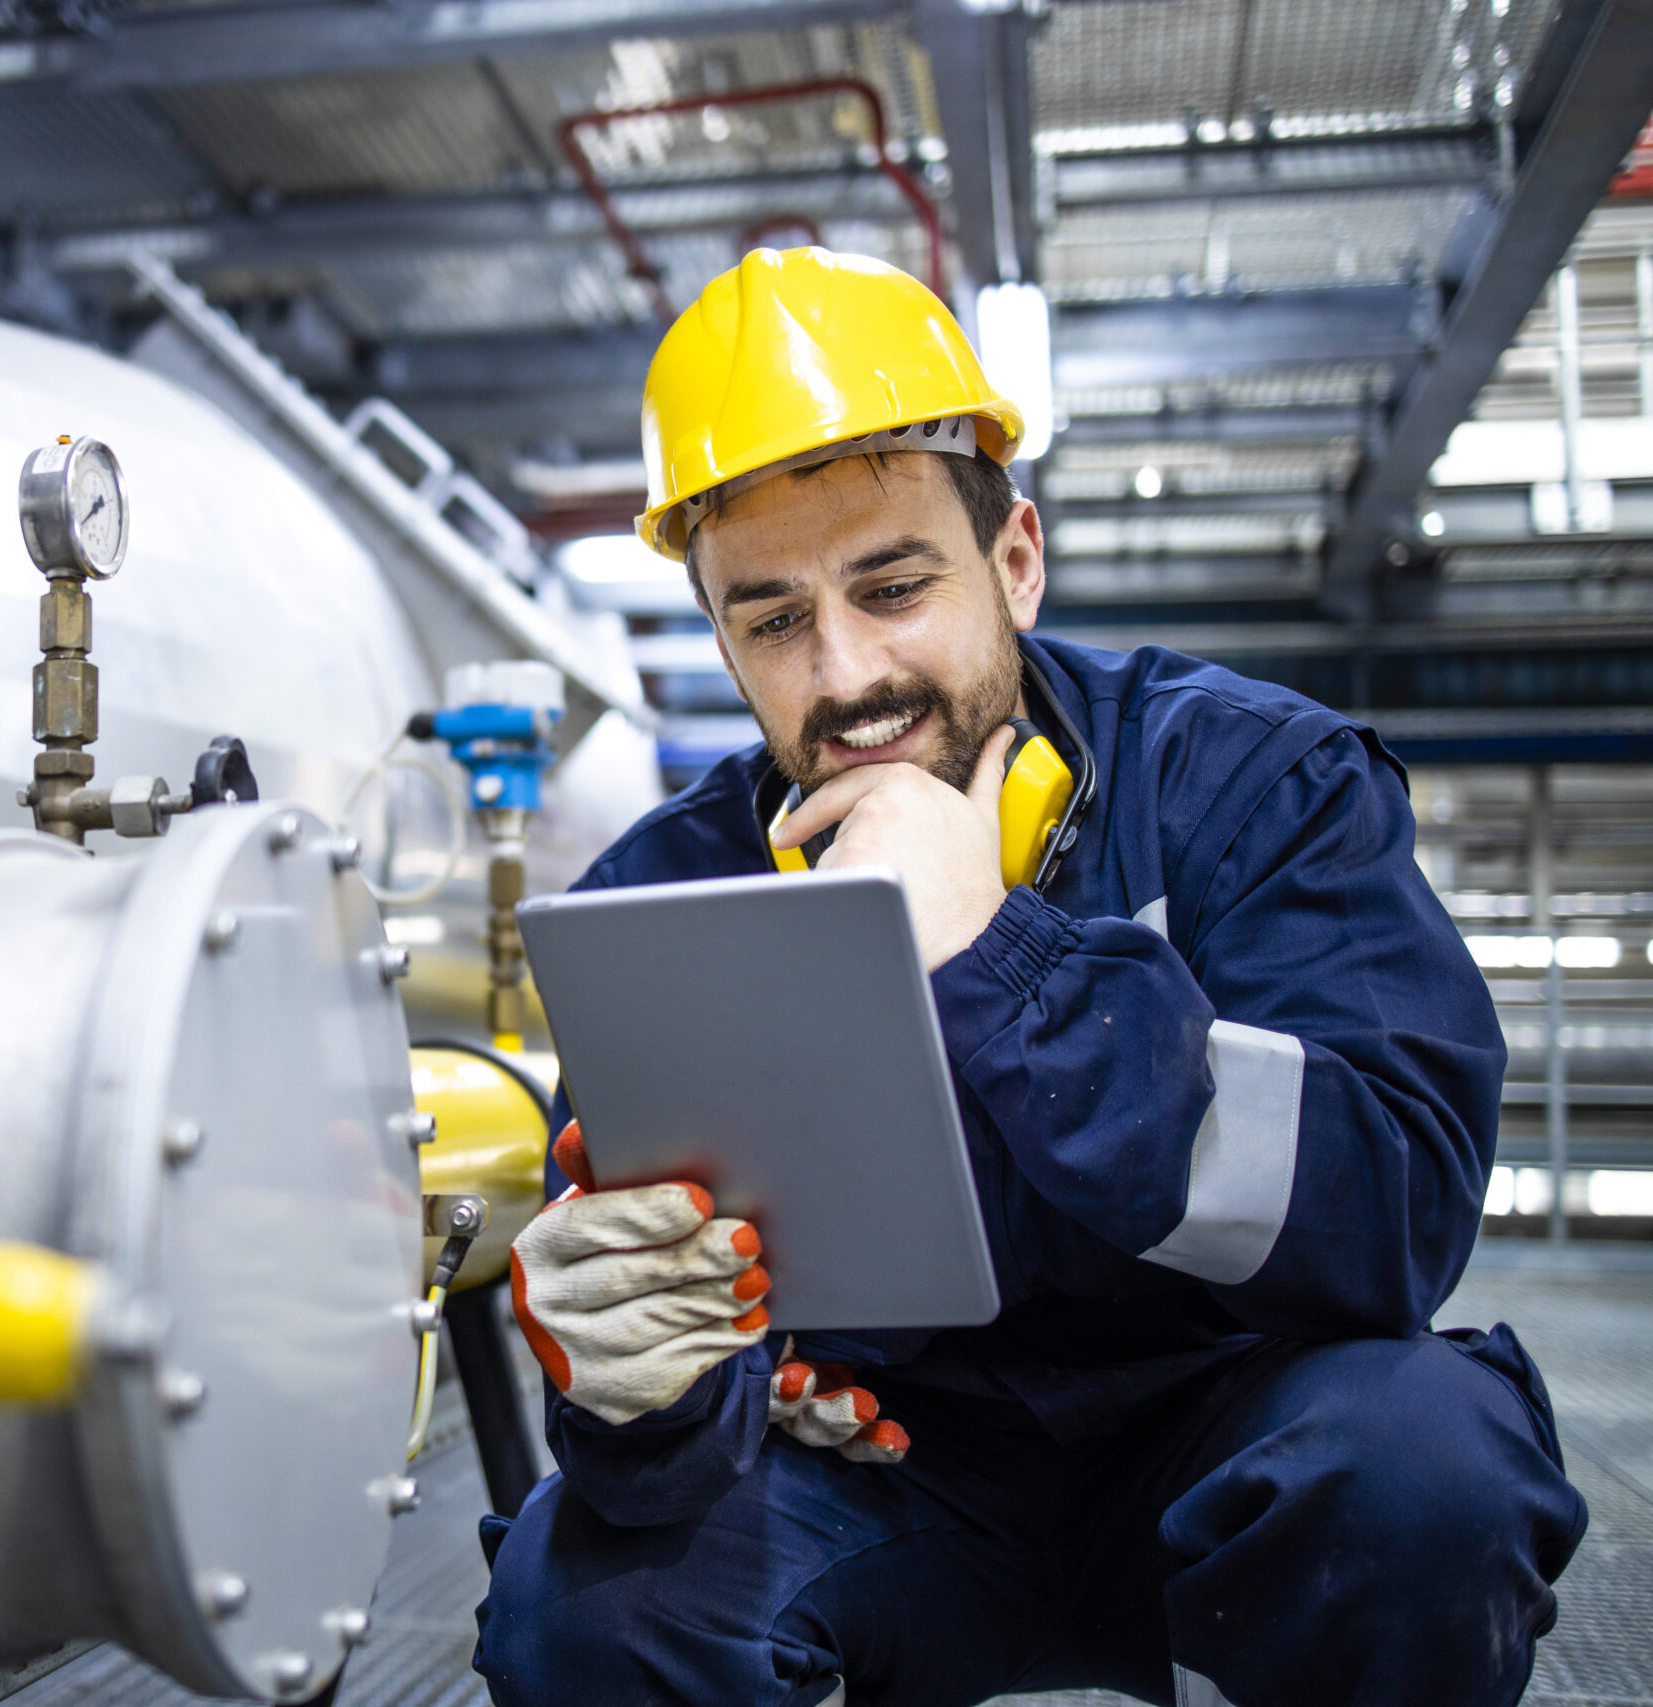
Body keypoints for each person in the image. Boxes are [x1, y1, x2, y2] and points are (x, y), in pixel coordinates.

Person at [470, 248, 1588, 1707]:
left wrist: (1003, 953)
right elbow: (660, 1423)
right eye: (775, 620)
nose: (846, 674)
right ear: (726, 644)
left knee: (1426, 1472)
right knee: (578, 1602)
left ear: (1015, 562)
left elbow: (1400, 1208)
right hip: (883, 1479)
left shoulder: (1252, 783)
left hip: (1240, 1428)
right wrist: (638, 1390)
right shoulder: (660, 899)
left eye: (893, 585)